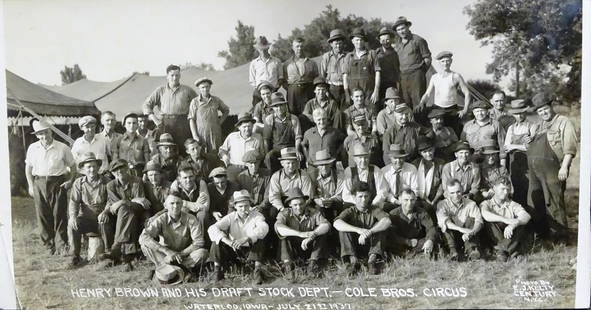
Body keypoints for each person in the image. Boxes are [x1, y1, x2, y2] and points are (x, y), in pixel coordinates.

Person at [528, 92, 578, 243]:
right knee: (536, 201)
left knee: (555, 202)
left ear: (551, 106)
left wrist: (564, 167)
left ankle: (562, 237)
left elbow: (570, 148)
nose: (543, 113)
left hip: (554, 168)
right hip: (536, 171)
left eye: (545, 109)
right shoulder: (539, 125)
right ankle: (543, 235)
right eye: (539, 111)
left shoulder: (563, 122)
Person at [25, 119, 76, 254]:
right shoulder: (32, 148)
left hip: (57, 182)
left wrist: (70, 181)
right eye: (41, 134)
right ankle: (48, 245)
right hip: (39, 182)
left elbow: (73, 166)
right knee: (42, 214)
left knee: (59, 214)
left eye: (46, 132)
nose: (44, 136)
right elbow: (28, 168)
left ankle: (61, 245)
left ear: (51, 132)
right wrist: (30, 186)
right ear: (37, 135)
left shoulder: (62, 147)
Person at [139, 194, 209, 280]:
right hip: (165, 255)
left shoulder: (191, 219)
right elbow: (144, 236)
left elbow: (199, 242)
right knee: (145, 245)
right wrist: (167, 251)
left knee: (202, 253)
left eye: (178, 203)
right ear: (166, 205)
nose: (175, 206)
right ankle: (181, 270)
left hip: (183, 255)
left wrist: (180, 254)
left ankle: (165, 269)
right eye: (172, 203)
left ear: (182, 204)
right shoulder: (161, 219)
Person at [208, 190, 269, 283]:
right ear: (235, 206)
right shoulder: (230, 217)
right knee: (217, 240)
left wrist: (247, 238)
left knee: (260, 239)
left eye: (246, 206)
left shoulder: (257, 215)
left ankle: (257, 271)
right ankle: (217, 271)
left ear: (250, 205)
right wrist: (226, 240)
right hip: (235, 250)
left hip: (251, 252)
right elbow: (212, 228)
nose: (244, 209)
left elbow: (264, 227)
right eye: (240, 206)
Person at [334, 182, 392, 276]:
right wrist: (358, 230)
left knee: (380, 226)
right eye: (360, 196)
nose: (364, 200)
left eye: (366, 196)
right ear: (354, 197)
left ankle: (372, 262)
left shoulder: (374, 209)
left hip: (372, 246)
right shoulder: (350, 211)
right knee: (343, 229)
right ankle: (353, 262)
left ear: (369, 197)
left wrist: (369, 232)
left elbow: (387, 221)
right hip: (354, 246)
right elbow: (336, 223)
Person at [102, 159, 151, 270]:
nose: (119, 171)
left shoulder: (136, 181)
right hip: (122, 215)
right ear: (113, 173)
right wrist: (126, 202)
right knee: (124, 212)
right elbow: (115, 207)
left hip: (139, 212)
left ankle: (116, 246)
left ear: (127, 168)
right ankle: (127, 255)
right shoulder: (110, 185)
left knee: (125, 209)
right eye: (116, 170)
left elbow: (141, 203)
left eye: (122, 168)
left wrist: (123, 202)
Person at [67, 152, 114, 268]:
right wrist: (73, 217)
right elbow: (74, 202)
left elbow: (111, 200)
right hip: (86, 219)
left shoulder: (106, 181)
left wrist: (105, 212)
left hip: (102, 218)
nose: (92, 170)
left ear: (98, 167)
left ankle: (108, 255)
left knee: (105, 221)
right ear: (83, 169)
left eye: (94, 166)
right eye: (88, 167)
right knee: (72, 224)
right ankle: (75, 256)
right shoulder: (79, 183)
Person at [275, 188, 331, 280]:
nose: (298, 207)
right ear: (290, 204)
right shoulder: (285, 213)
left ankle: (313, 265)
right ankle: (288, 267)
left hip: (309, 247)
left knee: (321, 234)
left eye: (301, 204)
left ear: (305, 202)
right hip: (293, 250)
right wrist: (299, 234)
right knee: (284, 236)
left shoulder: (313, 212)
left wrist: (312, 235)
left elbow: (326, 225)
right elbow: (279, 228)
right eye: (295, 205)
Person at [143, 64, 197, 148]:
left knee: (182, 149)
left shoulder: (188, 90)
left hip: (183, 125)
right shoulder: (160, 90)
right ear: (167, 76)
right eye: (172, 75)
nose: (175, 78)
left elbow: (198, 105)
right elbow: (146, 105)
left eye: (177, 75)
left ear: (180, 76)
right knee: (167, 149)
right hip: (165, 125)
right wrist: (155, 119)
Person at [417, 51, 471, 131]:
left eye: (447, 61)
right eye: (443, 61)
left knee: (454, 132)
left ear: (451, 61)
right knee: (438, 132)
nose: (445, 63)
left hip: (452, 110)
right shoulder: (434, 77)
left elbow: (467, 93)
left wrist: (465, 109)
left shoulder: (456, 76)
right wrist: (422, 102)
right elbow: (427, 94)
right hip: (438, 109)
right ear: (439, 63)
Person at [480, 177, 531, 261]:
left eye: (508, 189)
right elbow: (485, 214)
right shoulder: (486, 203)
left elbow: (526, 216)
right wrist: (505, 220)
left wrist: (514, 224)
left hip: (509, 234)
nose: (506, 192)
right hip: (494, 236)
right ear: (494, 189)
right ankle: (512, 251)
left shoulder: (512, 204)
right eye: (502, 189)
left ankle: (501, 251)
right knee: (488, 222)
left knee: (520, 223)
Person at [436, 179, 483, 261]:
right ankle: (452, 252)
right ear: (447, 193)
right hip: (451, 236)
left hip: (467, 236)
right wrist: (461, 229)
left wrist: (471, 233)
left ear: (462, 190)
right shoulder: (442, 204)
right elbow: (445, 222)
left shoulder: (471, 203)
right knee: (445, 224)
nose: (456, 195)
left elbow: (479, 221)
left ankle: (471, 250)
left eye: (458, 192)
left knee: (471, 219)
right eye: (452, 193)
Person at [504, 99, 537, 206]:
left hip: (528, 163)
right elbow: (506, 147)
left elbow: (530, 147)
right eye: (517, 114)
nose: (520, 116)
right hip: (514, 164)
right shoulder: (511, 128)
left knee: (529, 188)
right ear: (513, 115)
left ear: (525, 112)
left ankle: (531, 218)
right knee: (516, 188)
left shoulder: (532, 126)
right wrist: (520, 146)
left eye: (522, 113)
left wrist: (513, 146)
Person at [393, 16, 431, 109]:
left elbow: (427, 59)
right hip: (403, 77)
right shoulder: (397, 44)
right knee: (405, 102)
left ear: (408, 27)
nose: (401, 31)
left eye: (403, 28)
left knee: (418, 101)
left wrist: (421, 73)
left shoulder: (418, 40)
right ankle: (409, 123)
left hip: (416, 75)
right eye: (398, 30)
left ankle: (420, 123)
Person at [387, 189, 437, 258]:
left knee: (434, 238)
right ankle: (414, 254)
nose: (409, 203)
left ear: (415, 200)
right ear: (400, 199)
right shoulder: (393, 214)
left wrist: (429, 240)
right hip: (401, 243)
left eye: (412, 200)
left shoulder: (421, 212)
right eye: (406, 200)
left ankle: (413, 254)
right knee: (388, 241)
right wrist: (408, 242)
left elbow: (431, 227)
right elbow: (391, 234)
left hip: (417, 242)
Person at [268, 147, 314, 217]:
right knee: (273, 212)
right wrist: (282, 209)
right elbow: (274, 196)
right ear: (282, 163)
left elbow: (308, 195)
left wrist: (298, 207)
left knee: (310, 212)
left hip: (300, 202)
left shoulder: (304, 175)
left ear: (297, 163)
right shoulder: (276, 176)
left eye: (293, 163)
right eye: (288, 163)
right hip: (283, 202)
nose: (291, 166)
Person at [218, 112, 265, 181]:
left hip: (250, 169)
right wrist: (224, 156)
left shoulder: (258, 138)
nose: (247, 129)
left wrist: (255, 161)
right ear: (239, 127)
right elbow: (222, 150)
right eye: (244, 127)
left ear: (252, 126)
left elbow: (262, 154)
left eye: (249, 126)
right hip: (234, 168)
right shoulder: (232, 137)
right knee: (232, 186)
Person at [301, 108, 346, 180]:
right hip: (313, 167)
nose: (321, 122)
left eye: (324, 119)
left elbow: (344, 141)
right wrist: (308, 158)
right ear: (314, 120)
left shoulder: (334, 132)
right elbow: (304, 145)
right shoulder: (308, 133)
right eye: (319, 120)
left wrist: (337, 153)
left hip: (329, 167)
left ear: (327, 119)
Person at [263, 92, 303, 172]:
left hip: (291, 148)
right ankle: (272, 179)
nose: (279, 108)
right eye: (276, 106)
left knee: (300, 158)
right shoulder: (270, 119)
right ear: (273, 108)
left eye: (281, 105)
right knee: (269, 157)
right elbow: (266, 139)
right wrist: (267, 153)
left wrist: (297, 150)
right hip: (277, 149)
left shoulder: (293, 118)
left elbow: (298, 137)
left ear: (285, 106)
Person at [188, 77, 229, 153]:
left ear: (210, 87)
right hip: (201, 134)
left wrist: (219, 122)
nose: (205, 89)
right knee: (203, 154)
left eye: (207, 87)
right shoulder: (195, 102)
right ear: (199, 89)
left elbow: (226, 110)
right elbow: (191, 119)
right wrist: (195, 135)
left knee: (216, 154)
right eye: (202, 87)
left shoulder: (216, 100)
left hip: (215, 134)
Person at [342, 27, 381, 108]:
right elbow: (344, 76)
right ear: (352, 41)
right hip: (354, 95)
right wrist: (347, 94)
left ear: (364, 41)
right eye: (357, 40)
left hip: (369, 93)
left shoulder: (371, 54)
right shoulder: (349, 56)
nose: (359, 42)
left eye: (361, 40)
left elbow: (377, 72)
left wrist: (376, 91)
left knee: (371, 113)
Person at [461, 100, 506, 166]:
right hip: (472, 160)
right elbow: (463, 143)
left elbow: (502, 144)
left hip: (490, 160)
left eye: (482, 111)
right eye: (477, 111)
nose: (480, 113)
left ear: (487, 111)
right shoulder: (468, 125)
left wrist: (503, 161)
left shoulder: (496, 124)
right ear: (473, 112)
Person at [169, 163, 210, 235]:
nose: (188, 180)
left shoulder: (201, 183)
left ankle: (201, 240)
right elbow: (173, 207)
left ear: (194, 176)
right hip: (183, 212)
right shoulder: (175, 185)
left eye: (191, 176)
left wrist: (182, 203)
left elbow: (205, 207)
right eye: (185, 178)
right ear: (179, 179)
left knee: (202, 215)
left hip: (198, 212)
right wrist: (193, 204)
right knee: (181, 211)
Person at [283, 37, 319, 115]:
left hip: (309, 92)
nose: (299, 48)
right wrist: (292, 89)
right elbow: (283, 81)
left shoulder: (312, 63)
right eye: (297, 46)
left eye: (301, 46)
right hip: (293, 95)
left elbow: (317, 79)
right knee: (294, 115)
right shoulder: (286, 64)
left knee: (310, 113)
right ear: (293, 48)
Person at [249, 36, 284, 107]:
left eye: (264, 48)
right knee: (258, 111)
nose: (262, 51)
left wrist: (274, 88)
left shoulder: (276, 61)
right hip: (259, 94)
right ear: (257, 49)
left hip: (273, 91)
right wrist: (260, 91)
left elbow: (280, 78)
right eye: (260, 49)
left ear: (268, 47)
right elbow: (252, 81)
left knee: (276, 110)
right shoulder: (254, 63)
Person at [381, 144, 418, 212]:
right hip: (391, 201)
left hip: (408, 200)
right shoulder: (384, 171)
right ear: (390, 158)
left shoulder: (412, 169)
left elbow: (415, 189)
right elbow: (384, 192)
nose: (398, 161)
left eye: (401, 158)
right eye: (395, 158)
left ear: (404, 158)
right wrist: (395, 201)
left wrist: (406, 200)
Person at [412, 139, 445, 209]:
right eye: (425, 152)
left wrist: (434, 200)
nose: (428, 154)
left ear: (434, 149)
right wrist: (425, 199)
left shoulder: (441, 164)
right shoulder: (415, 164)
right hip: (417, 198)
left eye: (430, 150)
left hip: (435, 199)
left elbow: (442, 184)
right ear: (420, 153)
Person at [320, 29, 348, 109]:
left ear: (343, 43)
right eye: (336, 44)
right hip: (331, 89)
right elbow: (322, 76)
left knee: (345, 113)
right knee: (333, 113)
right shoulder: (326, 57)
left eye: (340, 43)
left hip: (345, 89)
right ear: (331, 44)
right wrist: (326, 92)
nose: (338, 46)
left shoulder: (348, 56)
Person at [375, 27, 401, 112]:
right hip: (379, 84)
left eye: (387, 40)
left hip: (391, 84)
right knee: (380, 105)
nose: (385, 42)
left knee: (392, 106)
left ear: (391, 40)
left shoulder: (395, 53)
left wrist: (398, 85)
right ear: (379, 41)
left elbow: (398, 70)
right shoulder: (376, 53)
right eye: (383, 40)